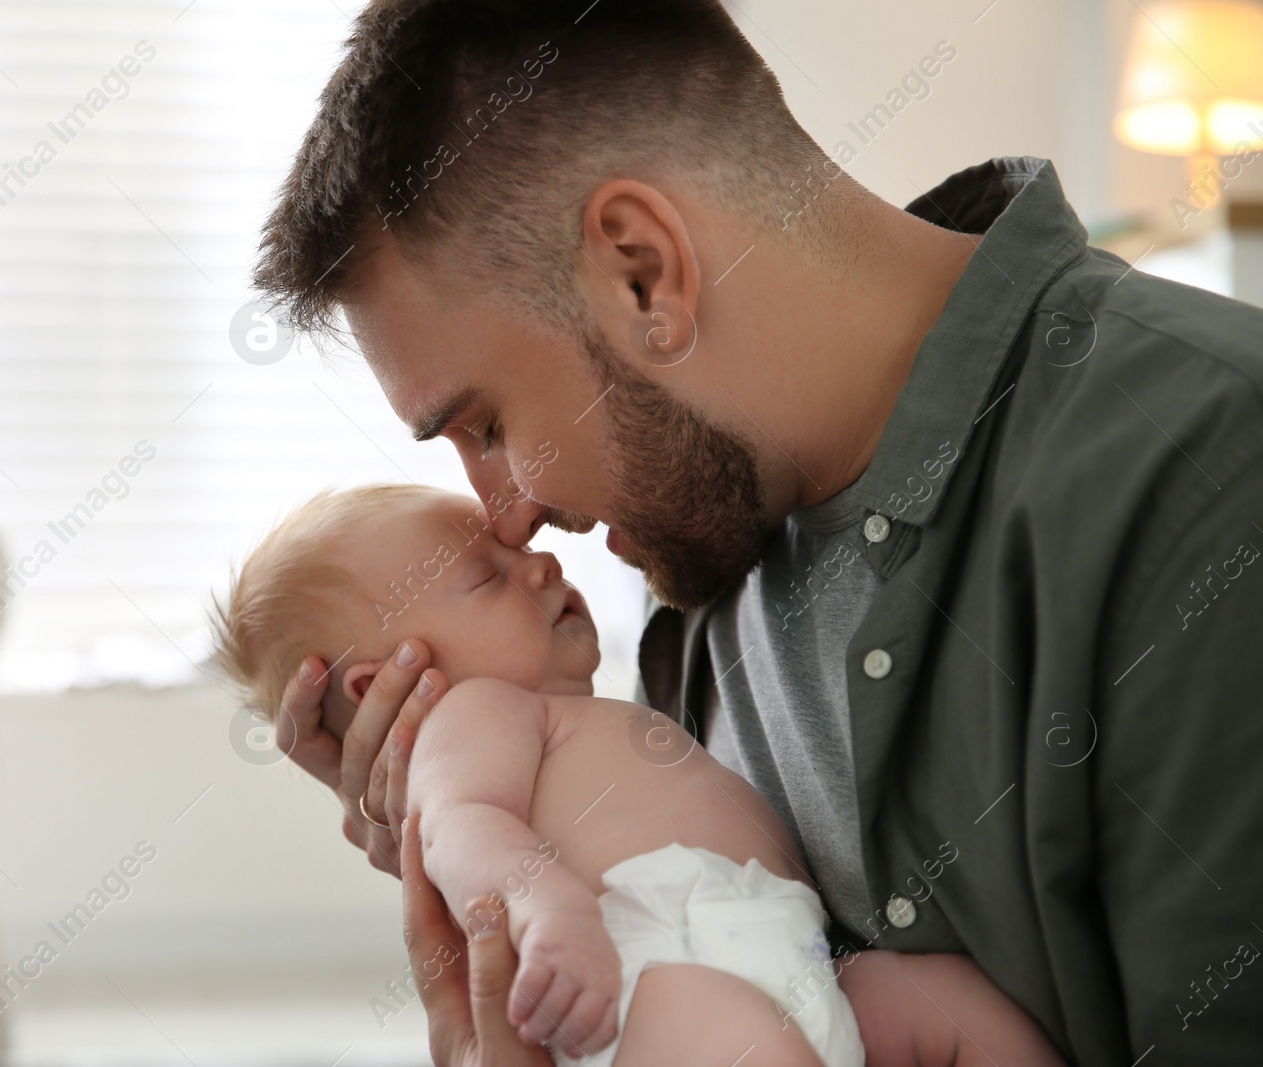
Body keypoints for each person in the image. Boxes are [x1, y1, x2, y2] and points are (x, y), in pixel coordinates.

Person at [252, 0, 1263, 1062]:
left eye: (488, 425)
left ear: (643, 269)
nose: (507, 516)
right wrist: (493, 845)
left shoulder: (1208, 463)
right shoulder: (701, 540)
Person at [210, 483, 1065, 1066]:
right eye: (483, 576)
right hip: (645, 975)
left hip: (789, 959)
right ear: (382, 680)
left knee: (944, 1001)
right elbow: (465, 826)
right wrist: (548, 905)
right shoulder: (470, 714)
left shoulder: (579, 716)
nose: (537, 561)